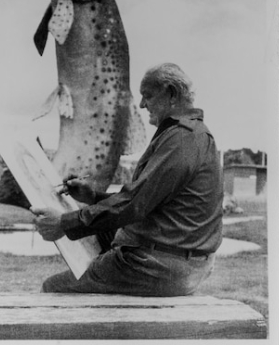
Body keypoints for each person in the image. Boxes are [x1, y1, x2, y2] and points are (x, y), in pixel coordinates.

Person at [31, 63, 223, 296]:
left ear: (172, 94)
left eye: (148, 96)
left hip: (162, 267)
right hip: (179, 263)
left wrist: (63, 223)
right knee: (100, 248)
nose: (142, 105)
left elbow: (136, 203)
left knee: (53, 288)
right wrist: (93, 197)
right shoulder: (189, 135)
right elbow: (149, 199)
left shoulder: (182, 139)